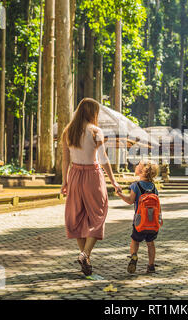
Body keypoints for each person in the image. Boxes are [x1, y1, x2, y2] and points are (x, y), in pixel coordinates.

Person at [61, 97, 122, 276]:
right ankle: (85, 254)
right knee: (99, 214)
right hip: (92, 176)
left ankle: (84, 256)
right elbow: (103, 159)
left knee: (77, 216)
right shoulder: (96, 131)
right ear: (92, 112)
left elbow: (65, 160)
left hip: (74, 175)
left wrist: (64, 181)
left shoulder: (68, 131)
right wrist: (113, 180)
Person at [117, 160, 160, 274]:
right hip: (152, 222)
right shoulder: (154, 187)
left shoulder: (136, 186)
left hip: (139, 222)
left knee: (135, 241)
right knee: (150, 244)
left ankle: (134, 256)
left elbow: (130, 201)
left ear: (142, 171)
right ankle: (151, 265)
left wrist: (120, 194)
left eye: (138, 166)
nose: (135, 166)